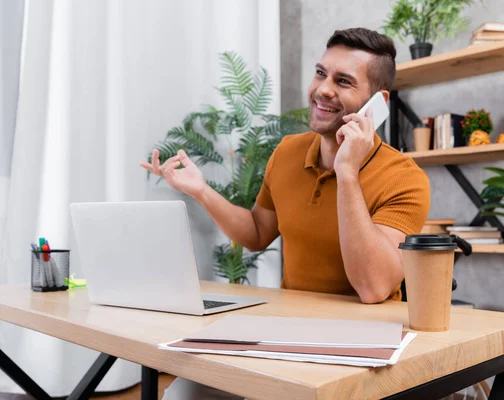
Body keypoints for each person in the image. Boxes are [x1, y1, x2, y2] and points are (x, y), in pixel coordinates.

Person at [141, 27, 430, 400]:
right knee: (184, 395)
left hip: (362, 343)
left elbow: (374, 288)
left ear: (377, 101)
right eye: (321, 73)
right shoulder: (288, 152)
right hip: (289, 327)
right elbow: (258, 232)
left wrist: (346, 173)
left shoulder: (405, 178)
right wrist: (200, 189)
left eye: (343, 81)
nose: (324, 89)